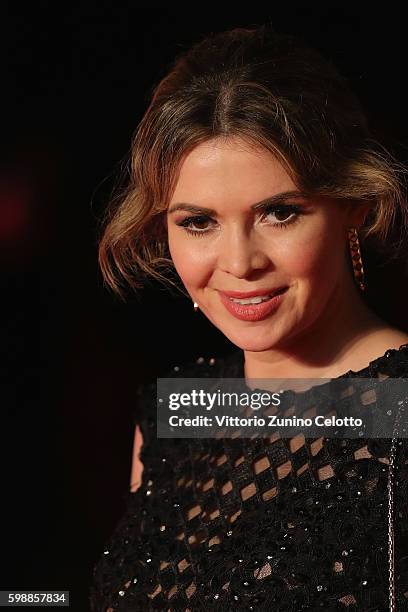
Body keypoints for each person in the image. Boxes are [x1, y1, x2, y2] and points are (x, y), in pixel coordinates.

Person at [90, 23, 408, 611]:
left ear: (355, 203)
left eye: (280, 213)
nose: (239, 263)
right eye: (198, 222)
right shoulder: (174, 417)